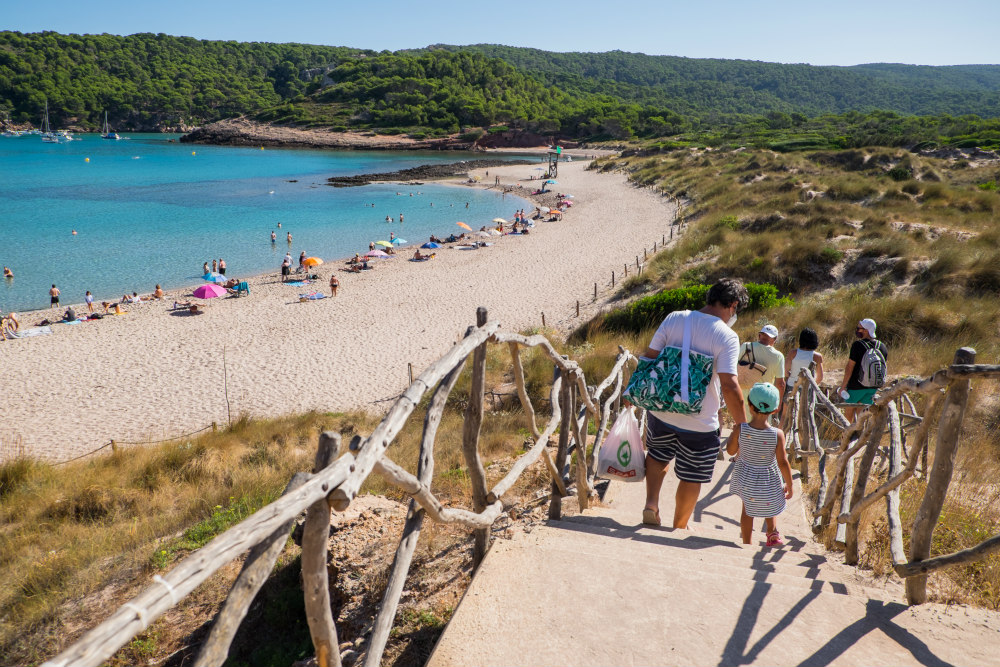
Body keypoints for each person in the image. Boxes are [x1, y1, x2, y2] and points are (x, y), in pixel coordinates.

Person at [640, 278, 748, 529]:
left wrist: (633, 393)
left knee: (657, 456)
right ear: (732, 305)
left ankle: (651, 504)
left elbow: (650, 357)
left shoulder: (675, 317)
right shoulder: (727, 336)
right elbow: (730, 386)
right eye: (737, 309)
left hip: (662, 409)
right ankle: (679, 526)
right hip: (700, 421)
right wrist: (742, 425)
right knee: (692, 476)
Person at [725, 382, 793, 547]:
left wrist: (734, 435)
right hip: (768, 477)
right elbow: (782, 462)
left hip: (746, 477)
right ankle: (772, 534)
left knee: (747, 511)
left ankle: (747, 543)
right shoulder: (777, 434)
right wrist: (790, 484)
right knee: (770, 505)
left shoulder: (741, 429)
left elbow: (730, 451)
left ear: (749, 405)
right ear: (775, 410)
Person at [838, 318, 888, 422]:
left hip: (856, 387)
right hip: (872, 387)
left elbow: (850, 367)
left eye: (858, 328)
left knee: (848, 415)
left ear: (865, 330)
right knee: (862, 417)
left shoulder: (858, 345)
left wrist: (843, 386)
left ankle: (846, 436)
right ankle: (860, 436)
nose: (857, 330)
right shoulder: (882, 346)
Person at [739, 324, 785, 420]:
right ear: (775, 339)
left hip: (745, 397)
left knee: (743, 430)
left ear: (759, 335)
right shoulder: (778, 356)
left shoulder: (746, 346)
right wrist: (778, 404)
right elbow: (780, 384)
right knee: (762, 431)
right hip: (765, 401)